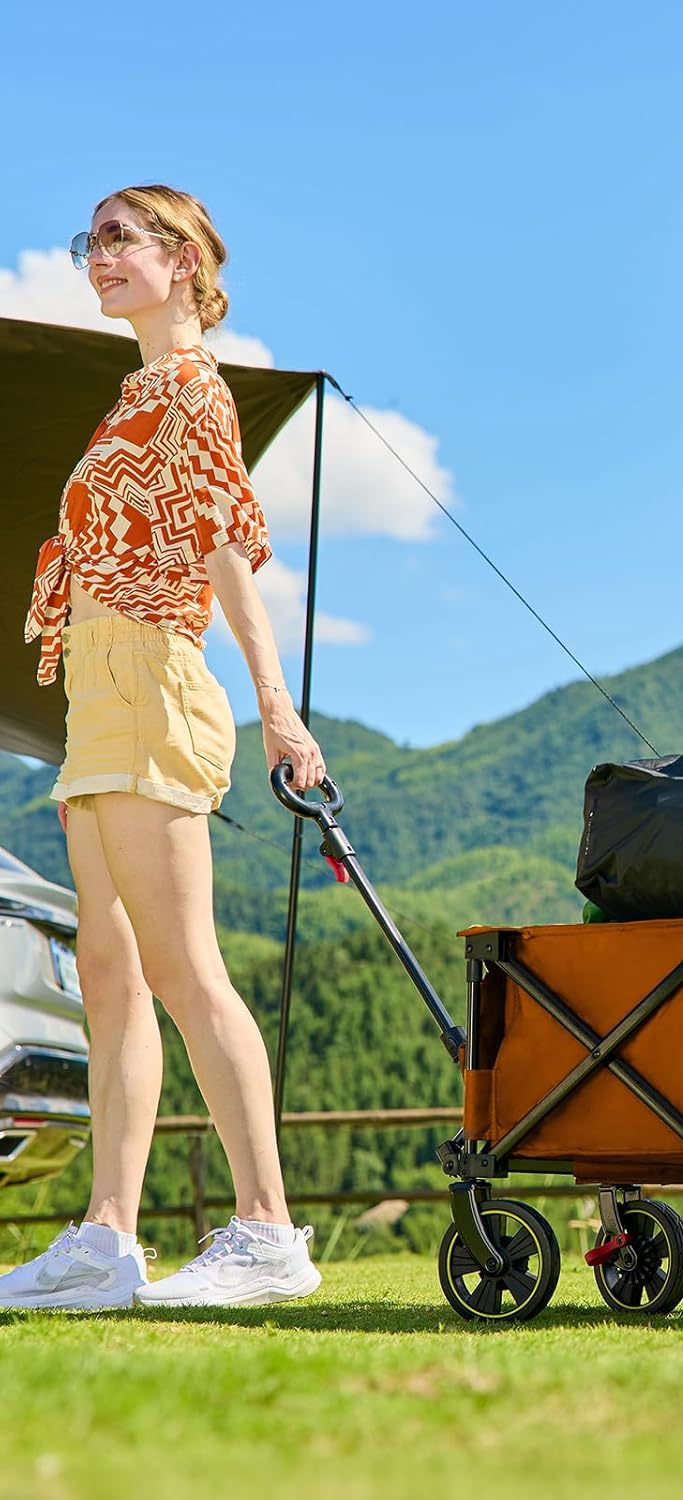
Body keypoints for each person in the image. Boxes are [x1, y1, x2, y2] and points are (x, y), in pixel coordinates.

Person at [0, 186, 325, 1311]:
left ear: (185, 260)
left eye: (121, 238)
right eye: (89, 242)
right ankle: (106, 1237)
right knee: (109, 974)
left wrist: (277, 706)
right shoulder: (134, 394)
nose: (99, 257)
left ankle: (268, 1230)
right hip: (98, 696)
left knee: (185, 967)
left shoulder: (194, 389)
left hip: (148, 679)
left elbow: (226, 543)